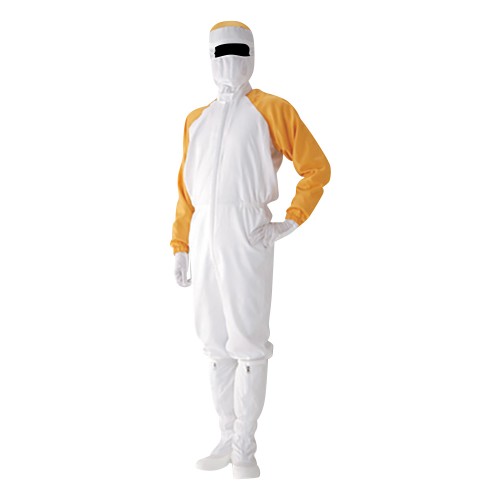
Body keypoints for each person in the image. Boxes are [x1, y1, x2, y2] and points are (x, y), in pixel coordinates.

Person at [170, 20, 331, 479]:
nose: (230, 60)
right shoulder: (196, 119)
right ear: (209, 56)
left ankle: (245, 445)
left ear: (253, 53)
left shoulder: (272, 109)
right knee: (212, 339)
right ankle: (225, 435)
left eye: (238, 50)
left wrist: (292, 219)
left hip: (247, 230)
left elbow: (316, 168)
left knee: (247, 337)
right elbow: (186, 190)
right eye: (220, 51)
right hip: (204, 231)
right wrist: (180, 243)